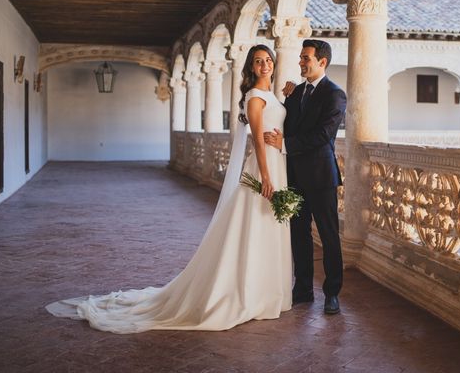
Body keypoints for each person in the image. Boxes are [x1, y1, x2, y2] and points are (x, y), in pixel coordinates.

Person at [46, 45, 292, 333]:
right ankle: (249, 293)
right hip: (265, 169)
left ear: (273, 64)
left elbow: (275, 130)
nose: (264, 65)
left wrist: (287, 103)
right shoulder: (254, 97)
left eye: (268, 60)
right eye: (258, 61)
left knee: (267, 225)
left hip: (277, 163)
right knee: (254, 226)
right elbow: (258, 141)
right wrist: (265, 176)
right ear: (251, 67)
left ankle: (266, 291)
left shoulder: (273, 94)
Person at [264, 39, 346, 315]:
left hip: (322, 176)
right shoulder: (296, 92)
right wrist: (284, 98)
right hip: (295, 175)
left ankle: (332, 293)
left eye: (305, 58)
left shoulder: (335, 94)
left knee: (329, 235)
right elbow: (286, 123)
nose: (300, 62)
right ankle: (303, 290)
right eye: (300, 57)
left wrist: (285, 145)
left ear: (321, 62)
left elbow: (324, 135)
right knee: (299, 234)